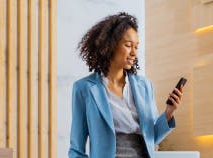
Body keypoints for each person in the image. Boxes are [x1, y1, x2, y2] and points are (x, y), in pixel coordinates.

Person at [68, 12, 184, 158]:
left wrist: (168, 112)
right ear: (110, 45)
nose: (134, 53)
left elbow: (152, 138)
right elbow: (76, 150)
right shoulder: (84, 88)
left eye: (136, 47)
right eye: (128, 45)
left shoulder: (144, 86)